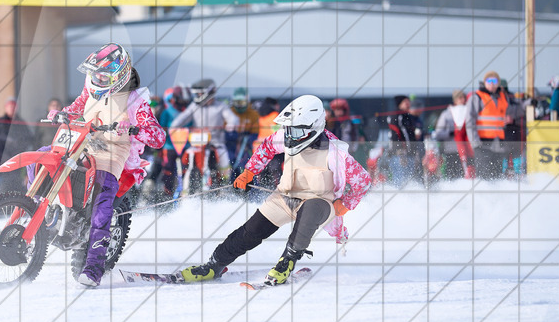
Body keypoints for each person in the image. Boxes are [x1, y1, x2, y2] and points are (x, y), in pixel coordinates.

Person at [180, 94, 371, 285]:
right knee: (251, 231)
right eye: (288, 130)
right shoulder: (285, 138)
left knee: (310, 210)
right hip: (285, 197)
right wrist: (249, 171)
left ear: (313, 127)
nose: (289, 136)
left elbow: (363, 181)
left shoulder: (335, 153)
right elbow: (266, 147)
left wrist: (346, 203)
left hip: (321, 204)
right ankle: (214, 265)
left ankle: (286, 263)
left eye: (294, 132)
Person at [54, 43, 165, 287]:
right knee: (47, 158)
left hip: (114, 153)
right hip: (85, 142)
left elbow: (158, 137)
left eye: (102, 76)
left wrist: (135, 128)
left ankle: (94, 266)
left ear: (119, 76)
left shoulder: (135, 101)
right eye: (95, 74)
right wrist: (62, 113)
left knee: (102, 203)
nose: (96, 79)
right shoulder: (91, 87)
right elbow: (79, 105)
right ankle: (41, 212)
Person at [464, 72, 510, 179]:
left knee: (497, 177)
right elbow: (469, 121)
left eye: (495, 81)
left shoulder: (503, 98)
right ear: (484, 83)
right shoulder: (477, 97)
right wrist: (475, 142)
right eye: (489, 81)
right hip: (482, 144)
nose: (492, 84)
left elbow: (513, 110)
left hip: (498, 145)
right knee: (484, 177)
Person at [432, 89, 474, 178]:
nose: (462, 100)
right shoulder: (447, 114)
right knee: (452, 175)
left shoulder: (470, 112)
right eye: (460, 98)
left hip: (467, 151)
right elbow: (438, 133)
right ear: (455, 100)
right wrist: (450, 133)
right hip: (452, 150)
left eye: (464, 98)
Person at [386, 95, 423, 184]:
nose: (408, 104)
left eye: (408, 102)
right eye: (405, 102)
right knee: (399, 179)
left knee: (409, 178)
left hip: (410, 153)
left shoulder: (408, 116)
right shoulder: (396, 116)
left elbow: (410, 135)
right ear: (399, 104)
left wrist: (414, 148)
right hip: (399, 153)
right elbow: (395, 134)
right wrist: (399, 149)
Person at [228, 87, 261, 175]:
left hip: (246, 144)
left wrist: (248, 139)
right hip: (231, 143)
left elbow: (256, 132)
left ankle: (251, 185)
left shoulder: (253, 114)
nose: (239, 105)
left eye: (242, 102)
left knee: (248, 164)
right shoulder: (230, 112)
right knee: (230, 163)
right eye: (237, 103)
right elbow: (224, 130)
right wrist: (234, 136)